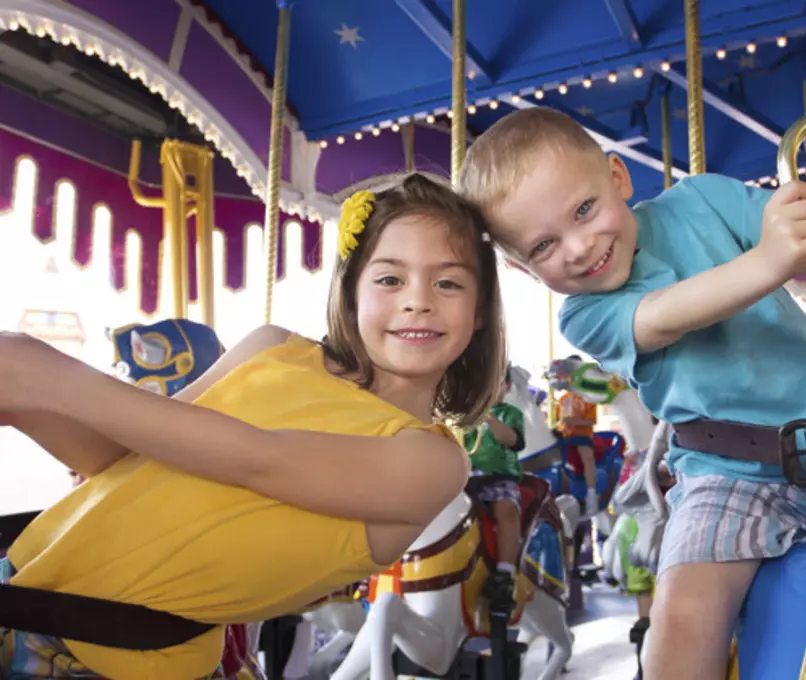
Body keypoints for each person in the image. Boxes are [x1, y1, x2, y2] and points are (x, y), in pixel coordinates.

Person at [457, 106, 806, 679]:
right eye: (543, 247)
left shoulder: (701, 201)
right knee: (681, 620)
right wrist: (770, 259)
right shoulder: (586, 313)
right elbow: (668, 315)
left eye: (584, 210)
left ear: (617, 177)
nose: (578, 248)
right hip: (728, 475)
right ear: (522, 267)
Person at [0, 173, 506, 679]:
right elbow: (118, 456)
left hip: (110, 659)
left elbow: (257, 460)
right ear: (352, 290)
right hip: (19, 585)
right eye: (390, 279)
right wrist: (27, 404)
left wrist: (52, 377)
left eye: (449, 282)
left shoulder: (431, 462)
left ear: (480, 310)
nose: (418, 300)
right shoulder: (271, 348)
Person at [463, 365, 526, 611]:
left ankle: (504, 571)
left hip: (499, 478)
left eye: (495, 384)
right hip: (466, 478)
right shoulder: (465, 417)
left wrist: (488, 416)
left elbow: (511, 440)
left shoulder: (510, 414)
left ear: (507, 387)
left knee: (506, 510)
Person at [555, 356, 600, 515]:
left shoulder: (588, 397)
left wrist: (575, 421)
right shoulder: (562, 399)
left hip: (581, 435)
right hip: (565, 437)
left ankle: (591, 493)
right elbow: (559, 421)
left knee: (586, 455)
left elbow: (591, 421)